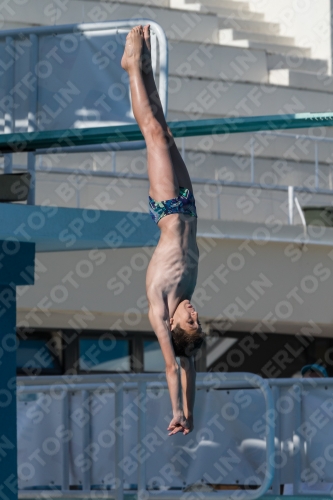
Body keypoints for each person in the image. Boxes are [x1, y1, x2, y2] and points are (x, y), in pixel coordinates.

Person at [121, 25, 204, 436]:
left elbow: (174, 366)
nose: (195, 313)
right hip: (188, 205)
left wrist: (176, 411)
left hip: (168, 207)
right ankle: (146, 68)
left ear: (173, 328)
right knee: (165, 130)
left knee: (152, 133)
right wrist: (194, 414)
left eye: (191, 321)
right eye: (198, 320)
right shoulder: (186, 293)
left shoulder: (161, 305)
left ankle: (133, 66)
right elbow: (192, 370)